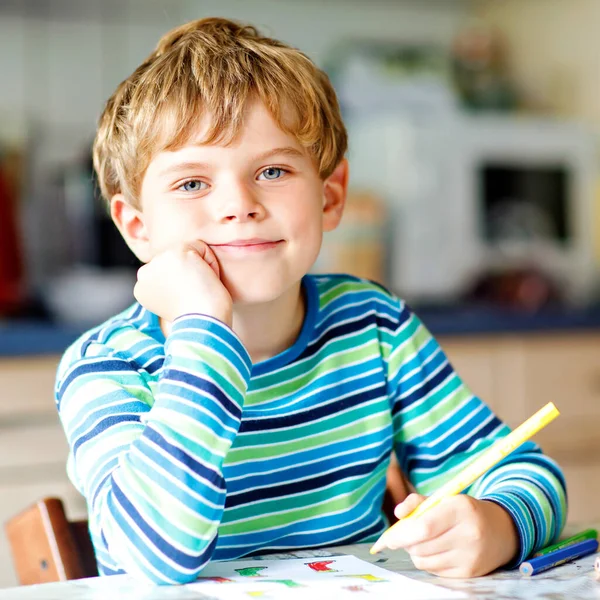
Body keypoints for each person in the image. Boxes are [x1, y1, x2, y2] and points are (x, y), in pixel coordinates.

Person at [55, 17, 567, 585]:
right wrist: (201, 331)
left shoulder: (374, 328)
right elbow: (154, 558)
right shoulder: (107, 366)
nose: (239, 204)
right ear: (136, 225)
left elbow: (524, 469)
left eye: (272, 170)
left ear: (330, 197)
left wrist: (495, 523)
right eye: (192, 183)